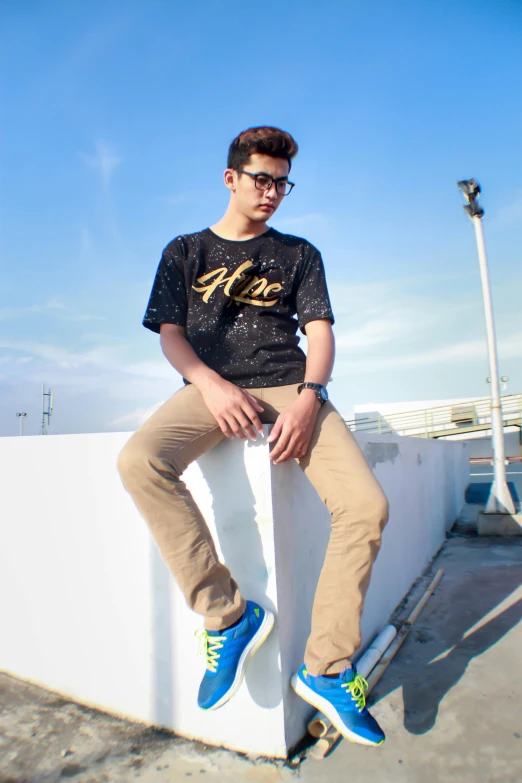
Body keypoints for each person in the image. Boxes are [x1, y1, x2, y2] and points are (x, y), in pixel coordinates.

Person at [117, 126, 389, 747]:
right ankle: (227, 617)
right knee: (140, 461)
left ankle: (326, 666)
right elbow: (171, 333)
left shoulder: (298, 254)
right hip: (211, 388)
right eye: (261, 179)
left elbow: (319, 334)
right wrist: (209, 386)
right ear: (231, 177)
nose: (272, 192)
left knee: (367, 507)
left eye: (282, 182)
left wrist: (309, 397)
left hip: (291, 386)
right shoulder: (185, 250)